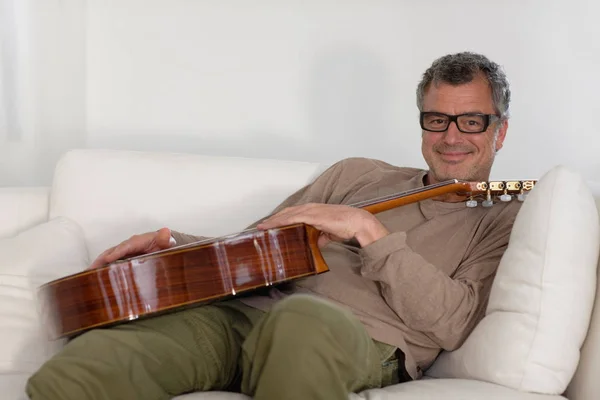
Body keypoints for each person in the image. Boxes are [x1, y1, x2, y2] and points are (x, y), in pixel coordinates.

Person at [26, 51, 519, 400]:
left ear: (500, 132)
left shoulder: (504, 214)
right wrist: (171, 245)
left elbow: (454, 323)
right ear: (422, 124)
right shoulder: (358, 174)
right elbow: (254, 250)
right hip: (243, 317)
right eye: (437, 120)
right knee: (90, 364)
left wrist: (368, 232)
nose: (452, 136)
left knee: (302, 322)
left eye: (472, 121)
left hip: (350, 338)